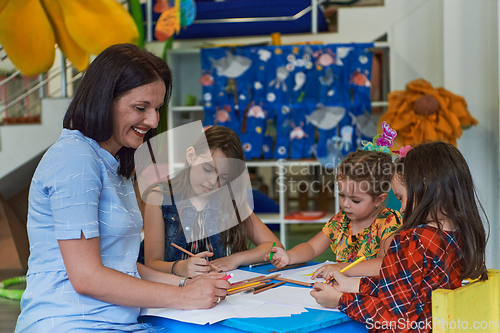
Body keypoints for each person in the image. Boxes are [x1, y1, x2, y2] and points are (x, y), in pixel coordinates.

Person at [15, 44, 229, 333]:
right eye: (141, 108)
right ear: (104, 100)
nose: (153, 121)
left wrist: (185, 282)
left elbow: (119, 263)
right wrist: (183, 295)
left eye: (157, 109)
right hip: (71, 324)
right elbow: (87, 277)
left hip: (113, 321)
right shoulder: (75, 159)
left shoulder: (114, 164)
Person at [310, 142, 488, 332]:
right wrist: (351, 284)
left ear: (426, 186)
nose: (401, 208)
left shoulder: (413, 242)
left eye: (401, 197)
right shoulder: (461, 236)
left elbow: (393, 318)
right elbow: (404, 288)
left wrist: (339, 300)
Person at [138, 125, 283, 276]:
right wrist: (179, 267)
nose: (213, 182)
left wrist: (235, 259)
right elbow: (151, 264)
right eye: (207, 169)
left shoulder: (229, 199)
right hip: (171, 289)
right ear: (191, 156)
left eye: (224, 177)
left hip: (214, 289)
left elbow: (275, 247)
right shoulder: (159, 196)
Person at [266, 150, 402, 277]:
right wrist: (289, 256)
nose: (345, 204)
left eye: (355, 200)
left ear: (379, 199)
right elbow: (312, 247)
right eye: (342, 195)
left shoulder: (389, 223)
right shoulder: (342, 219)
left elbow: (384, 264)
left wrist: (342, 269)